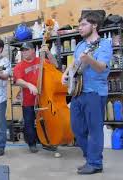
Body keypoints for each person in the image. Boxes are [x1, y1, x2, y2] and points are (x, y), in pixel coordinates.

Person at [61, 12, 112, 174]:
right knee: (76, 128)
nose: (79, 28)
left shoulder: (104, 44)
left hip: (95, 93)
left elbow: (101, 67)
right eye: (79, 25)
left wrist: (89, 60)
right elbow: (74, 64)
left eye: (83, 24)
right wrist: (65, 73)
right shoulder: (80, 45)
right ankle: (91, 157)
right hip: (78, 92)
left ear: (94, 25)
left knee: (94, 129)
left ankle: (95, 163)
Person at [13, 42, 58, 153]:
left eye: (26, 50)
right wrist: (29, 85)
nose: (24, 52)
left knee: (46, 122)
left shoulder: (41, 60)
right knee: (29, 123)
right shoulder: (19, 66)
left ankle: (46, 142)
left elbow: (55, 65)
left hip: (44, 98)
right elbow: (18, 80)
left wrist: (48, 52)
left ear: (33, 50)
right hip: (28, 100)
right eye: (22, 50)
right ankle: (32, 144)